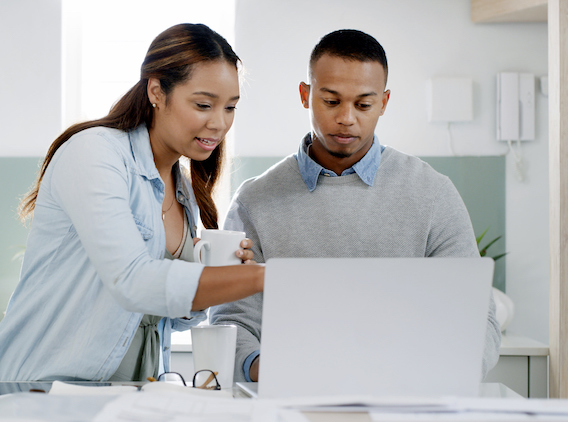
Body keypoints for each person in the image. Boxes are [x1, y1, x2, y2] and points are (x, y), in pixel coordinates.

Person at [0, 23, 264, 383]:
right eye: (203, 105)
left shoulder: (182, 187)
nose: (219, 123)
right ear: (157, 90)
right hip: (38, 390)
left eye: (230, 108)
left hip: (125, 395)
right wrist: (259, 278)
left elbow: (158, 314)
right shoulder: (94, 153)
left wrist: (218, 278)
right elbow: (132, 281)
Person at [209, 29, 501, 383]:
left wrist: (428, 375)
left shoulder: (433, 194)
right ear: (306, 95)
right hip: (290, 399)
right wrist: (266, 369)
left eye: (363, 104)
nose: (347, 118)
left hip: (408, 397)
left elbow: (476, 318)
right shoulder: (254, 202)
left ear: (384, 102)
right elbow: (232, 320)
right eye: (331, 101)